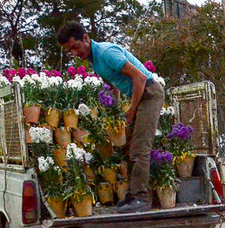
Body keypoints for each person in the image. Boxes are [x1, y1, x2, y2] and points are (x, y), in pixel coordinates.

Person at [56, 20, 164, 214]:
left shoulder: (106, 53)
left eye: (75, 47)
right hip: (138, 96)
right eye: (69, 50)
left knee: (140, 148)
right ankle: (133, 195)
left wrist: (131, 111)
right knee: (128, 147)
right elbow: (112, 84)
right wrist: (114, 111)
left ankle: (141, 199)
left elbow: (139, 77)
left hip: (150, 93)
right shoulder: (93, 60)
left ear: (86, 39)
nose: (74, 53)